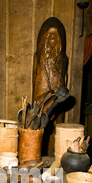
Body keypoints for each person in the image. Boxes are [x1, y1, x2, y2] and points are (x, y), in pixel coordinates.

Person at [32, 17, 68, 154]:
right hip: (42, 95)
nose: (52, 37)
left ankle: (55, 154)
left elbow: (64, 79)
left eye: (55, 34)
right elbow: (35, 81)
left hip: (58, 96)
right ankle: (38, 154)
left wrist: (59, 94)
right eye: (49, 34)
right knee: (40, 127)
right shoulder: (38, 58)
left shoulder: (63, 59)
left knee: (56, 128)